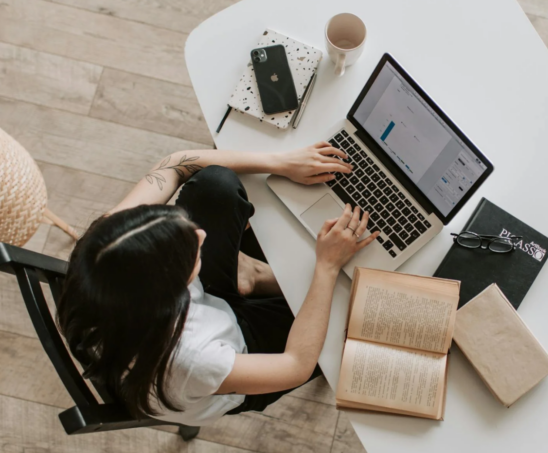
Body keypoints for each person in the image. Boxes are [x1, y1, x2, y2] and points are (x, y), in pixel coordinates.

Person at [56, 142, 380, 426]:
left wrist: (280, 162)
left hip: (197, 312)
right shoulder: (194, 359)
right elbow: (295, 365)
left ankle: (249, 276)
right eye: (190, 252)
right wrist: (326, 267)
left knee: (214, 184)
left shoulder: (107, 247)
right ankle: (255, 277)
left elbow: (173, 165)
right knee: (350, 315)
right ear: (172, 291)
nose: (201, 234)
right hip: (239, 356)